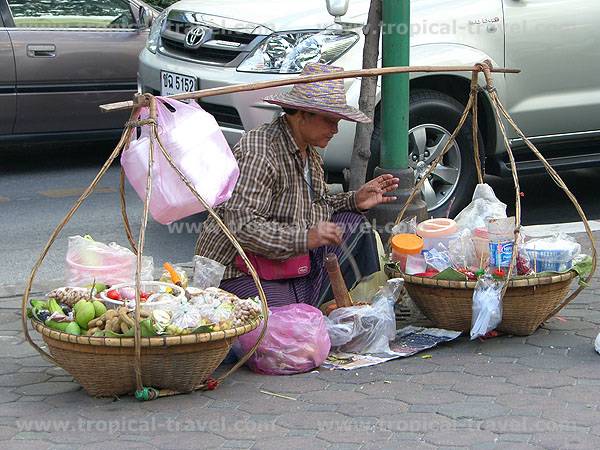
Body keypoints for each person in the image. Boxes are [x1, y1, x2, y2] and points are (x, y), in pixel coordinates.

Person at [196, 63, 399, 308]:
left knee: (356, 226)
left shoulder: (310, 156)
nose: (335, 129)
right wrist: (305, 238)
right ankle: (299, 307)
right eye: (329, 121)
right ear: (303, 115)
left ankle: (305, 305)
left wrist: (354, 200)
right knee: (289, 334)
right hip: (240, 268)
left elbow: (317, 205)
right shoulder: (260, 151)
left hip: (286, 260)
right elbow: (243, 228)